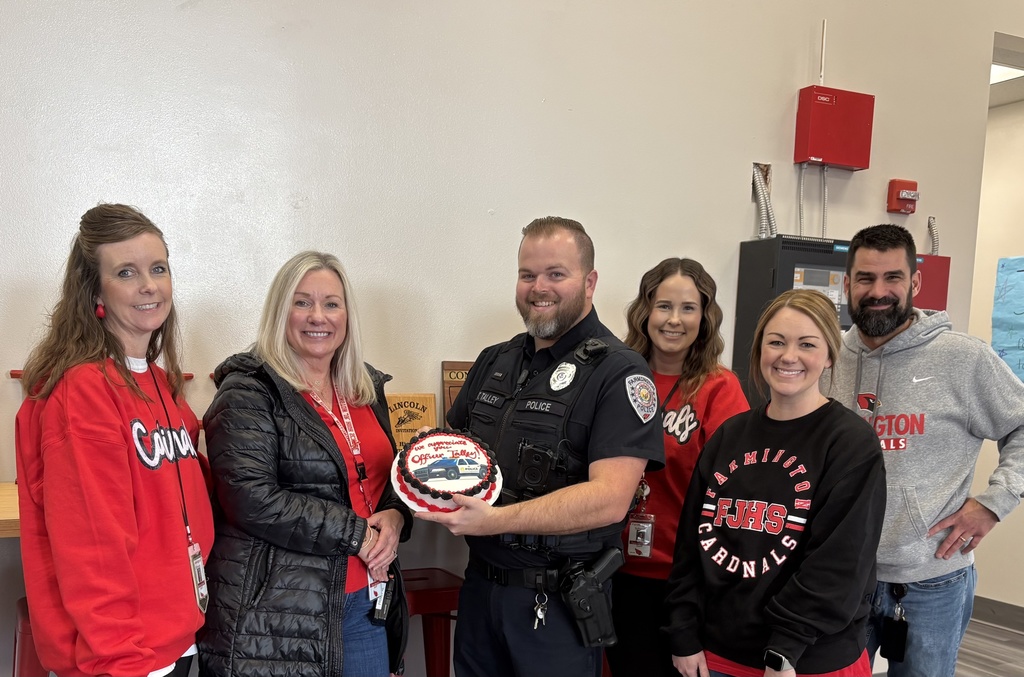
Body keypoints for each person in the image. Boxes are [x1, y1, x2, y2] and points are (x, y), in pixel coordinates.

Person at [417, 216, 664, 677]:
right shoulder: (496, 360)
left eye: (556, 274)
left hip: (557, 607)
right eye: (527, 275)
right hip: (480, 593)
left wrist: (495, 521)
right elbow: (454, 448)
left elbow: (610, 499)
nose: (538, 287)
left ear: (589, 282)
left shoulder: (620, 373)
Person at [15, 203, 214, 677]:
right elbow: (93, 549)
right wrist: (119, 661)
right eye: (127, 272)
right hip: (124, 658)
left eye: (158, 268)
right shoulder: (84, 390)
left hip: (175, 640)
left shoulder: (163, 386)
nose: (149, 285)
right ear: (94, 292)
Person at [197, 251, 412, 677]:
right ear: (281, 312)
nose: (318, 316)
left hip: (365, 603)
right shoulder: (248, 391)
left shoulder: (363, 387)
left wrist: (397, 514)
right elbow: (250, 497)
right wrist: (358, 535)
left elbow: (382, 474)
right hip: (279, 617)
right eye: (302, 302)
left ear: (347, 315)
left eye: (331, 303)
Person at [828, 223, 1024, 677]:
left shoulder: (963, 358)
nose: (879, 291)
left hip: (931, 579)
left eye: (893, 278)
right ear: (847, 284)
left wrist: (994, 504)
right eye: (865, 278)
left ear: (915, 282)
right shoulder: (828, 357)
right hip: (841, 575)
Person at [664, 289, 886, 677]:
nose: (788, 356)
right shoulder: (731, 436)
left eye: (807, 344)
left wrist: (784, 651)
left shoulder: (851, 443)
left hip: (805, 659)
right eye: (776, 342)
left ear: (830, 355)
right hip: (716, 652)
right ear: (760, 350)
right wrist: (682, 630)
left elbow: (839, 563)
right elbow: (691, 544)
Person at [607, 258, 749, 677]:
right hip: (615, 571)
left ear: (705, 317)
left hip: (686, 580)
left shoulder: (719, 388)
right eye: (663, 305)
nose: (674, 319)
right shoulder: (614, 380)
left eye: (688, 308)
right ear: (644, 311)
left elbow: (734, 490)